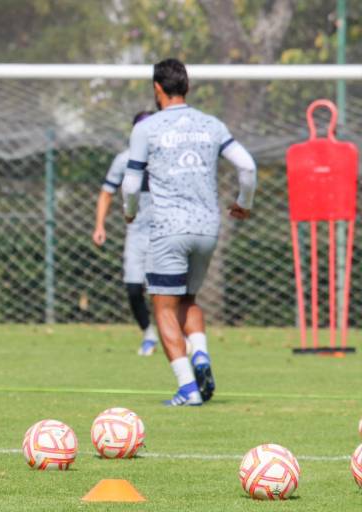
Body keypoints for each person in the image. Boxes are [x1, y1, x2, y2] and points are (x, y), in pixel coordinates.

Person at [122, 58, 257, 406]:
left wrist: (130, 212)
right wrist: (244, 202)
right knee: (188, 301)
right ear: (187, 87)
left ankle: (187, 388)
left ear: (157, 89)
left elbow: (132, 182)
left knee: (163, 307)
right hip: (207, 227)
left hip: (169, 228)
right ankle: (200, 354)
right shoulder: (211, 124)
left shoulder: (147, 128)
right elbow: (247, 165)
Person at [92, 111, 158, 356]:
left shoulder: (167, 158)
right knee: (133, 289)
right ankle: (149, 333)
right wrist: (100, 225)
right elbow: (106, 193)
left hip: (165, 234)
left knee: (165, 291)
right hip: (137, 235)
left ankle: (180, 336)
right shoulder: (124, 160)